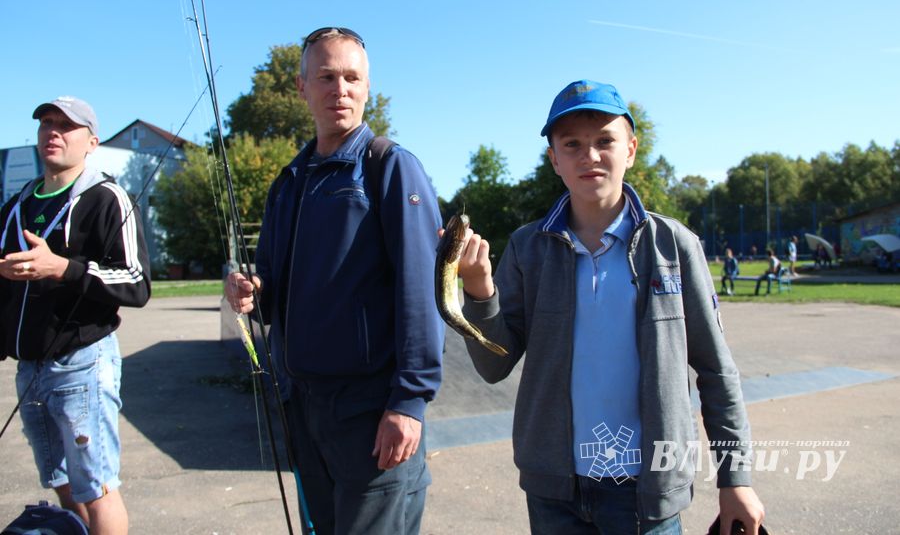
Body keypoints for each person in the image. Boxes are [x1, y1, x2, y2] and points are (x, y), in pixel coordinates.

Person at [454, 81, 764, 534]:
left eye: (605, 141)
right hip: (555, 491)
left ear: (631, 150)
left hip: (646, 491)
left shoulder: (675, 246)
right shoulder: (527, 248)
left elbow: (717, 372)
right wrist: (481, 292)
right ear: (554, 159)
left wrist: (736, 478)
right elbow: (492, 366)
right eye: (572, 144)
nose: (590, 155)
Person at [225, 27, 443, 535]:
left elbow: (421, 291)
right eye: (326, 76)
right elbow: (275, 293)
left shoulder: (390, 168)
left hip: (371, 414)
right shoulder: (289, 183)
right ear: (301, 87)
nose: (339, 89)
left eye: (352, 77)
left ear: (368, 88)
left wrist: (408, 402)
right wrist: (253, 295)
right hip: (302, 409)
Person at [0, 96, 151, 534]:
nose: (53, 132)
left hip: (81, 364)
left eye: (66, 126)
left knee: (96, 486)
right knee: (63, 483)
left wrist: (62, 267)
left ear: (91, 142)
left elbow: (136, 283)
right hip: (30, 367)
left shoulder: (107, 198)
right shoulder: (17, 205)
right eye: (46, 123)